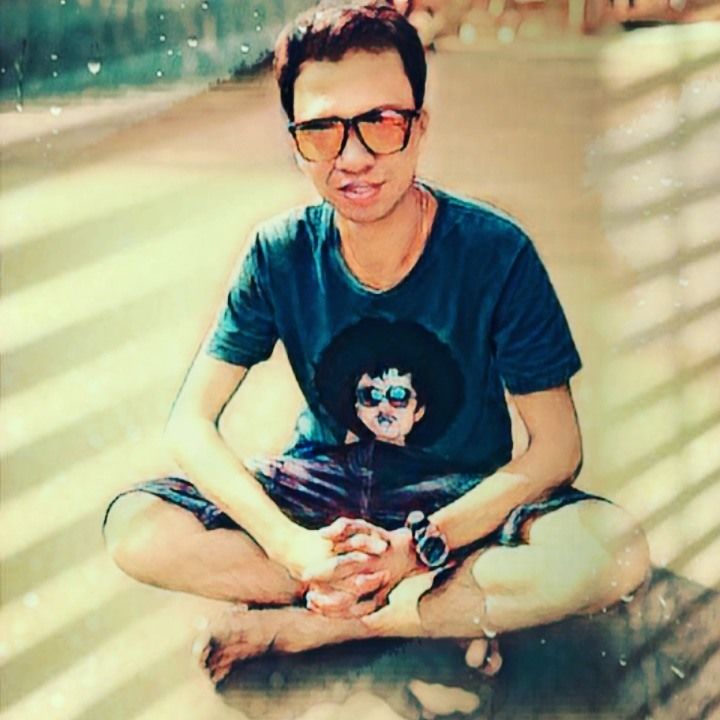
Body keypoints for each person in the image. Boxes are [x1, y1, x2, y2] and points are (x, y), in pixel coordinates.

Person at [102, 0, 650, 686]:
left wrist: (418, 549)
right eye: (321, 131)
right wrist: (294, 548)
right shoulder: (280, 253)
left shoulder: (495, 253)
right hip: (322, 490)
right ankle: (432, 609)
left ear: (419, 127)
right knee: (136, 529)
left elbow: (558, 447)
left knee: (612, 554)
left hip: (457, 500)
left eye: (382, 123)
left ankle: (319, 624)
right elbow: (190, 422)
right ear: (294, 140)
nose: (353, 158)